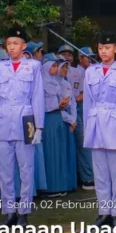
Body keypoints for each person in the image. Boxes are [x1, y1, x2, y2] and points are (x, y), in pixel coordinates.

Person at [0, 26, 44, 225]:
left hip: (26, 118)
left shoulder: (33, 66)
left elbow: (37, 97)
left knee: (26, 168)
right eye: (9, 44)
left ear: (24, 46)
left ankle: (24, 212)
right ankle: (9, 211)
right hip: (4, 120)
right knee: (4, 170)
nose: (12, 48)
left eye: (15, 44)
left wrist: (38, 127)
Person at [84, 31, 116, 226]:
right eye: (100, 48)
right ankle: (103, 211)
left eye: (107, 48)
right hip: (96, 122)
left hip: (115, 123)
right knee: (100, 172)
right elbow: (87, 102)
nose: (103, 52)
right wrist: (88, 127)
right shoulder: (91, 71)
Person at [41, 55, 76, 195]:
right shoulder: (41, 83)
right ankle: (51, 187)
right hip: (48, 119)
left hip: (58, 118)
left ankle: (61, 185)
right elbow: (42, 105)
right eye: (53, 66)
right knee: (51, 153)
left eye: (56, 66)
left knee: (59, 153)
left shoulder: (57, 83)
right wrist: (58, 105)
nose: (55, 69)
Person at [74, 46, 96, 191]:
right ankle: (87, 178)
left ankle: (92, 176)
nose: (91, 59)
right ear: (81, 58)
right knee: (84, 145)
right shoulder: (76, 73)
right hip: (79, 110)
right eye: (88, 57)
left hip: (89, 110)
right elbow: (77, 97)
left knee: (92, 145)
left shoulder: (91, 71)